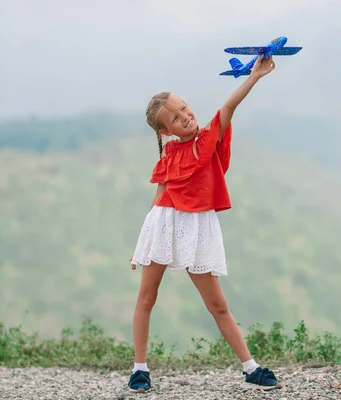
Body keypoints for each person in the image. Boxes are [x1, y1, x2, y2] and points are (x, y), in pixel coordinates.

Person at [128, 54, 281, 393]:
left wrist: (254, 76)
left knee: (217, 304)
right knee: (146, 298)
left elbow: (227, 108)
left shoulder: (208, 137)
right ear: (165, 131)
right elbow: (160, 196)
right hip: (164, 224)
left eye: (185, 109)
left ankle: (250, 367)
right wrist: (144, 243)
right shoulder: (169, 155)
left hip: (197, 227)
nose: (186, 117)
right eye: (176, 118)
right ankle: (140, 369)